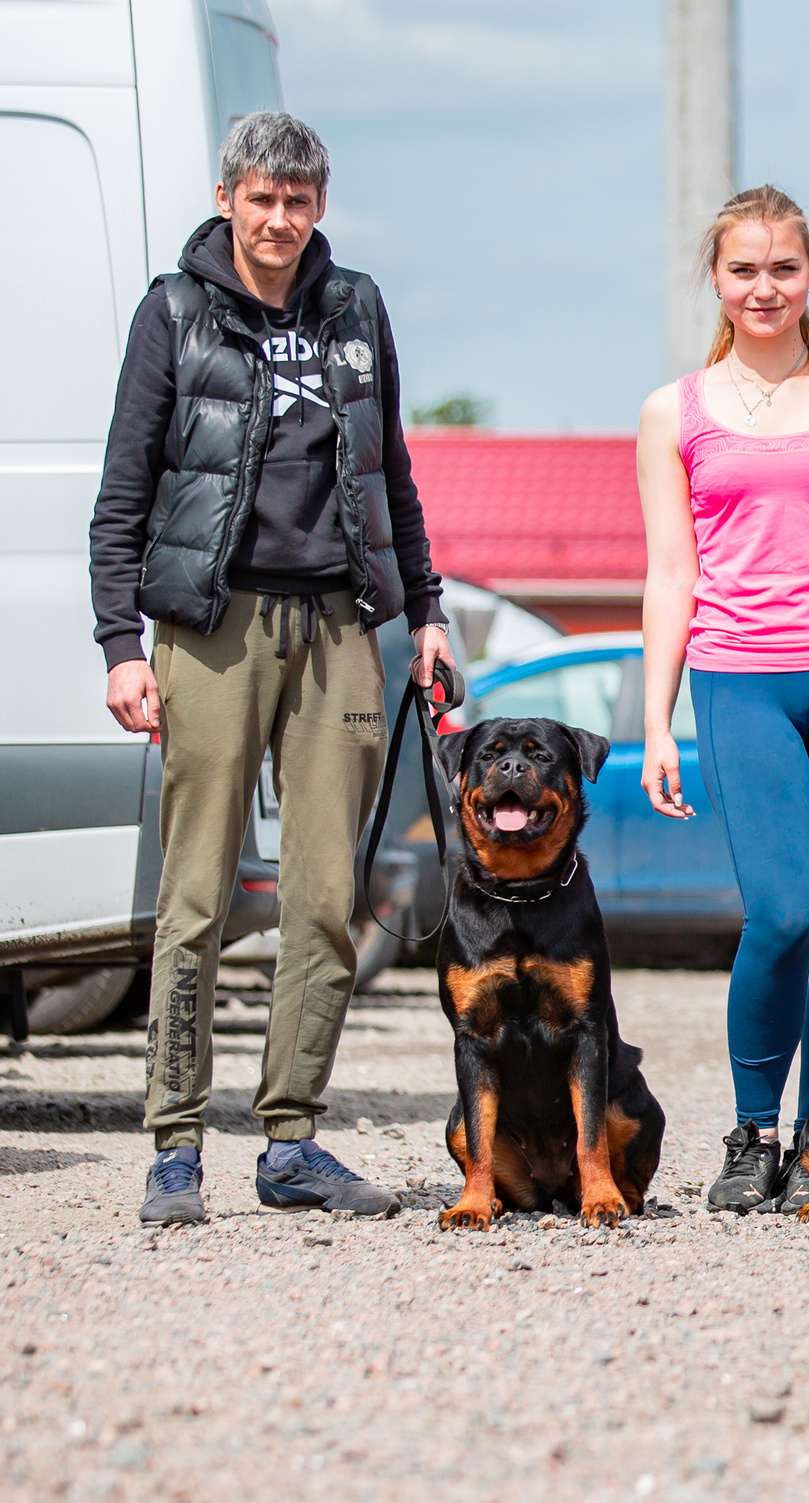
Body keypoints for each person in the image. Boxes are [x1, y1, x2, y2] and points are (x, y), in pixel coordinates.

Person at [91, 113, 457, 1225]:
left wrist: (429, 610)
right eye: (262, 199)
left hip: (338, 623)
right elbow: (123, 485)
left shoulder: (356, 309)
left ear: (320, 206)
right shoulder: (173, 310)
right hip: (211, 624)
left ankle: (292, 1137)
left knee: (325, 896)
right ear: (227, 197)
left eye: (299, 203)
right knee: (195, 887)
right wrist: (120, 643)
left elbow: (392, 468)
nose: (280, 221)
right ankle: (174, 1143)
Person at [635, 185, 809, 1214]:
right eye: (744, 270)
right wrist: (656, 722)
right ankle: (752, 1131)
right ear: (716, 279)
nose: (765, 288)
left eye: (784, 269)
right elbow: (671, 573)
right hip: (740, 679)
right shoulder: (674, 410)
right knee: (787, 911)